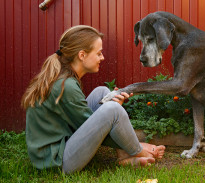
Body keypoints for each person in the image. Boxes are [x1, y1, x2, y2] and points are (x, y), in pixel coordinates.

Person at [21, 25, 165, 174]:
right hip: (56, 162)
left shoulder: (64, 78)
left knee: (101, 92)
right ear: (82, 55)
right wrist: (139, 146)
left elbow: (94, 126)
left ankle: (124, 155)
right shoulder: (66, 86)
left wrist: (110, 108)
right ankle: (138, 151)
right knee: (112, 109)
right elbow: (99, 130)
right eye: (99, 53)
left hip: (61, 144)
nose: (102, 58)